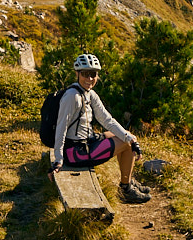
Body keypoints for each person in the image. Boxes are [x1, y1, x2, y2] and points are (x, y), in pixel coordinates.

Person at [49, 53, 150, 204]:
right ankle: (126, 189)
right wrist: (58, 159)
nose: (89, 78)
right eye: (85, 74)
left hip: (87, 142)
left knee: (126, 137)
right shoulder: (72, 96)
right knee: (126, 143)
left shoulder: (90, 94)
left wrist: (129, 137)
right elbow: (61, 127)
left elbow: (107, 120)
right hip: (75, 153)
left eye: (93, 74)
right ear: (77, 74)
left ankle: (128, 180)